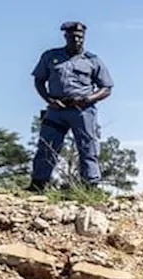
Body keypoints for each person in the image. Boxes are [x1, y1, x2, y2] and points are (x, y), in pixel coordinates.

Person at [28, 21, 114, 191]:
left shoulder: (93, 60)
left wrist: (89, 98)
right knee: (47, 146)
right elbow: (38, 80)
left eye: (80, 36)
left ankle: (90, 186)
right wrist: (48, 99)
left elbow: (107, 88)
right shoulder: (50, 56)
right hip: (56, 109)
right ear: (65, 36)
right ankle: (38, 185)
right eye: (72, 36)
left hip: (82, 110)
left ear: (84, 38)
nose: (76, 39)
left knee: (88, 147)